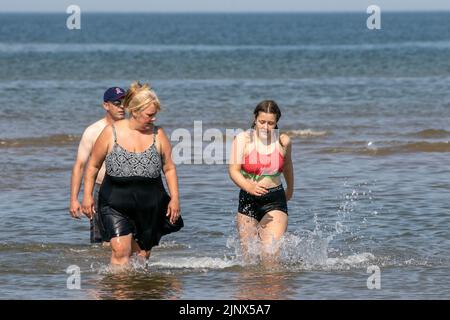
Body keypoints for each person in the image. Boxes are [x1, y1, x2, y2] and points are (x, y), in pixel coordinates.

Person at [81, 81, 182, 267]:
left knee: (142, 256)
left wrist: (175, 198)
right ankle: (120, 293)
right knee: (121, 251)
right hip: (114, 202)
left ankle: (138, 290)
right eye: (149, 115)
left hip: (150, 204)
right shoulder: (111, 132)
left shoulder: (158, 134)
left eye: (155, 115)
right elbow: (93, 166)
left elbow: (169, 168)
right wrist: (87, 196)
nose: (153, 119)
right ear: (134, 111)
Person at [229, 100, 293, 262]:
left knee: (270, 254)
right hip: (248, 200)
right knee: (249, 258)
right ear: (255, 119)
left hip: (274, 200)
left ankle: (273, 285)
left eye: (271, 123)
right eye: (262, 122)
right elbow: (233, 171)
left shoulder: (283, 141)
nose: (265, 127)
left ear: (277, 122)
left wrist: (290, 189)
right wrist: (248, 187)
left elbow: (287, 167)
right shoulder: (243, 139)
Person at [69, 87, 126, 243]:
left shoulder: (133, 129)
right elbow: (80, 165)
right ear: (106, 105)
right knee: (99, 239)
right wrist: (75, 199)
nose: (122, 106)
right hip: (101, 190)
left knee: (130, 237)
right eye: (117, 102)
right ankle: (100, 266)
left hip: (128, 188)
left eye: (125, 103)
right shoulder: (93, 131)